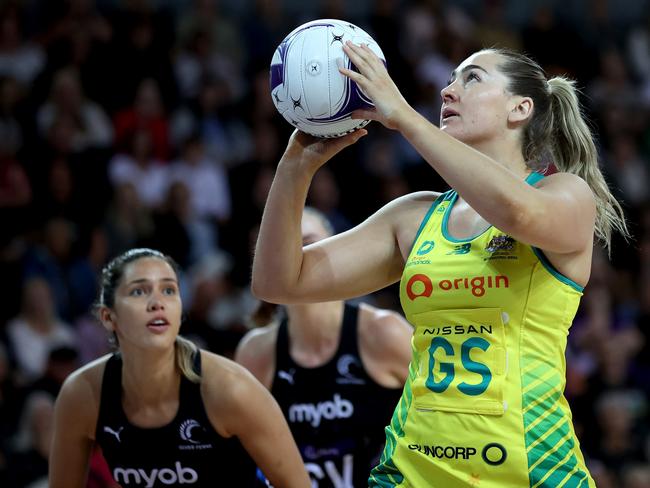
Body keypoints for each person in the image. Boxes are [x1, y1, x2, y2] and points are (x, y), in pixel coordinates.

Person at [251, 42, 630, 487]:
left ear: (520, 108)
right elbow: (277, 281)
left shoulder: (566, 194)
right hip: (412, 473)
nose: (448, 90)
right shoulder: (414, 216)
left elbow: (517, 213)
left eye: (471, 78)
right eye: (450, 78)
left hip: (530, 472)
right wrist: (294, 170)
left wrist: (404, 117)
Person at [49, 248, 310, 488]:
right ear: (108, 317)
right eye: (139, 291)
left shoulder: (230, 389)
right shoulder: (82, 394)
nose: (157, 302)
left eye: (169, 290)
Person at [236, 207, 413, 487]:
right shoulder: (256, 352)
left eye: (307, 242)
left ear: (338, 247)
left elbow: (441, 419)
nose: (295, 258)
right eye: (284, 248)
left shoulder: (384, 333)